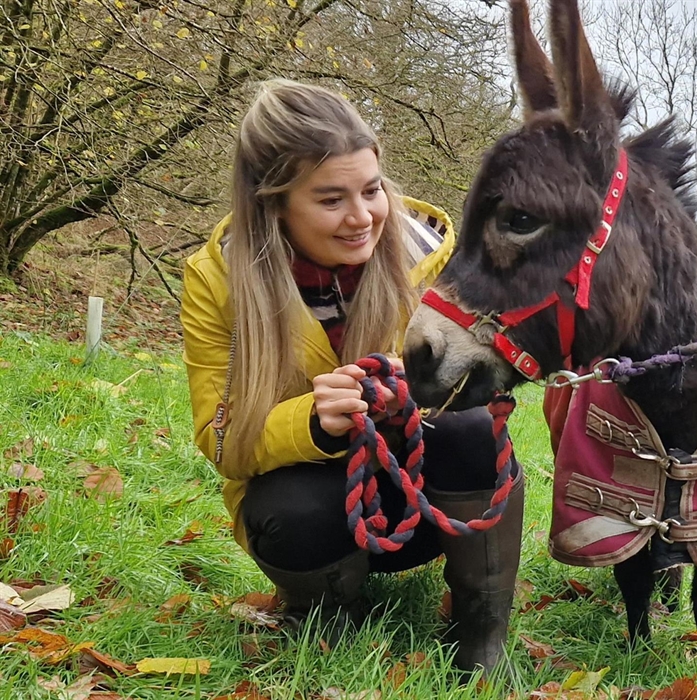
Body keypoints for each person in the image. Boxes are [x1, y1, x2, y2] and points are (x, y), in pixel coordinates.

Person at [179, 79, 524, 673]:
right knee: (288, 509)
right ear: (274, 202)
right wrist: (312, 422)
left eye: (372, 190)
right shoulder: (217, 281)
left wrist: (417, 395)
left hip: (425, 504)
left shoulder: (437, 261)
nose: (361, 217)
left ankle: (481, 632)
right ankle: (332, 618)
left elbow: (489, 379)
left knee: (470, 433)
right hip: (322, 510)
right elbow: (220, 437)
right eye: (331, 199)